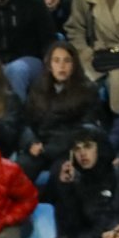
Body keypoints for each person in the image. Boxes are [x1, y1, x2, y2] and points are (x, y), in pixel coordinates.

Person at [19, 41, 99, 179]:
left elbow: (85, 129)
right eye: (56, 61)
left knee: (61, 173)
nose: (61, 66)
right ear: (49, 65)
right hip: (39, 147)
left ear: (74, 65)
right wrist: (30, 142)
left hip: (67, 149)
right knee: (19, 170)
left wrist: (48, 149)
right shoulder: (38, 88)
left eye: (66, 61)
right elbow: (25, 121)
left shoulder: (87, 90)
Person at [38, 124, 116, 238]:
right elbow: (71, 223)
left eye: (88, 146)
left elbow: (105, 225)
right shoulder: (76, 178)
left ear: (100, 148)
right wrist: (65, 187)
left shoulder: (114, 178)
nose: (82, 154)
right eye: (77, 148)